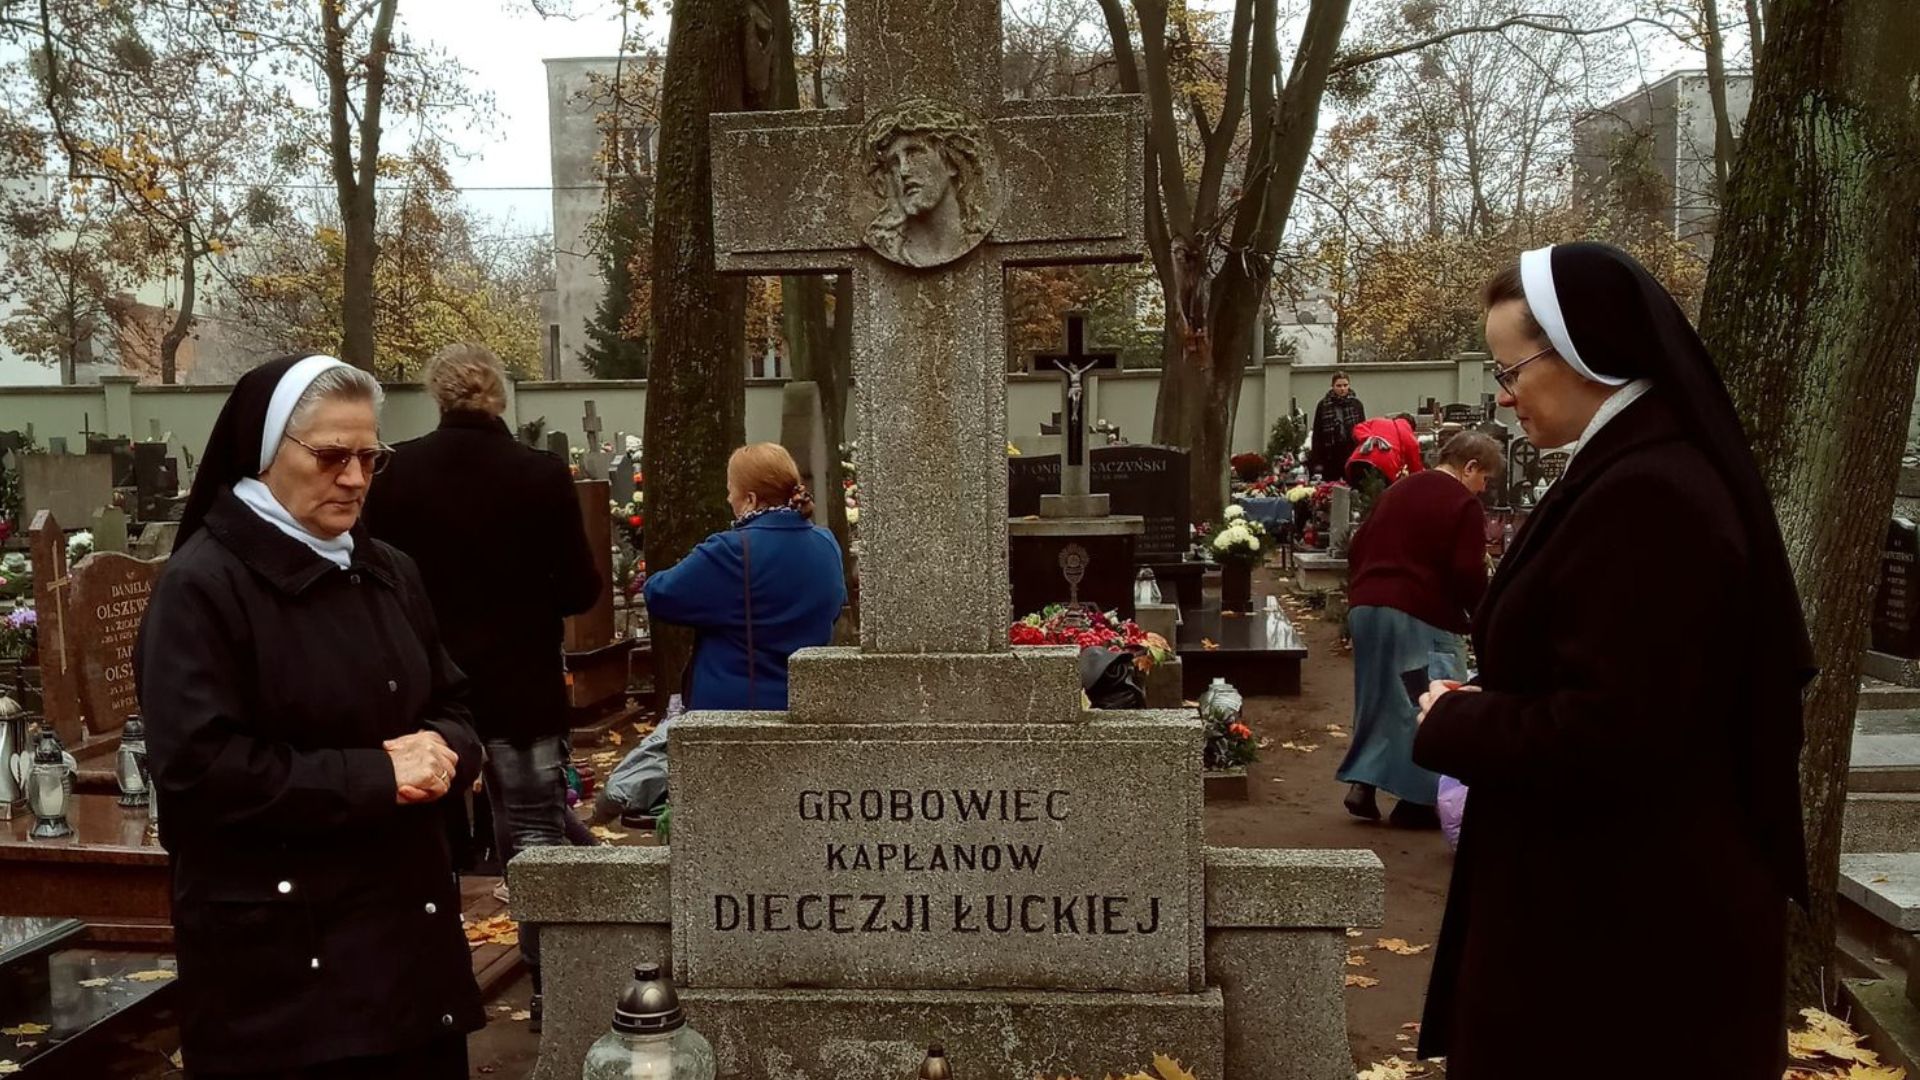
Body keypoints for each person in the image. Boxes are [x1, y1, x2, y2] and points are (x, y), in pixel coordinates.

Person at [1412, 244, 1812, 1077]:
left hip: (1622, 950)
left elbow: (1616, 731)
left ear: (1584, 350)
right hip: (1611, 922)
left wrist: (1458, 720)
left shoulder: (1649, 495)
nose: (1503, 394)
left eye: (1511, 369)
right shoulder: (1631, 469)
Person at [134, 355, 484, 1079]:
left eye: (370, 458)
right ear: (266, 454)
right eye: (330, 456)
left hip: (408, 956)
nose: (354, 479)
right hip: (285, 982)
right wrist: (379, 776)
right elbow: (199, 772)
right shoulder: (202, 587)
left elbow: (452, 702)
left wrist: (448, 749)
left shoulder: (388, 569)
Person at [363, 343, 600, 1031]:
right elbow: (579, 588)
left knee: (427, 845)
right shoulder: (539, 474)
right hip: (521, 685)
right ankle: (550, 989)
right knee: (534, 835)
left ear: (436, 396)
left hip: (428, 692)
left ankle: (429, 988)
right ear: (499, 395)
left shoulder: (398, 475)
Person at [1336, 432, 1501, 828]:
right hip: (1419, 611)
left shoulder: (1397, 490)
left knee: (1376, 696)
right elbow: (1466, 570)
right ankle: (1418, 802)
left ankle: (1363, 784)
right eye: (1485, 478)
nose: (1483, 489)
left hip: (1367, 607)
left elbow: (1357, 546)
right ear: (1470, 467)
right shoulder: (1462, 502)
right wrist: (1484, 613)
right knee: (1427, 699)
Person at [643, 443, 846, 712]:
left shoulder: (733, 551)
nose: (729, 499)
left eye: (730, 491)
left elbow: (660, 594)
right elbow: (833, 609)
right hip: (806, 705)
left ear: (750, 499)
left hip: (739, 711)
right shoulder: (826, 543)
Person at [1344, 413, 1426, 487]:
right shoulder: (1407, 432)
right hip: (1383, 468)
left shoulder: (1376, 421)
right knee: (1379, 497)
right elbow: (1414, 466)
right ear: (1411, 427)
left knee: (1358, 495)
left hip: (1357, 462)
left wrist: (1369, 438)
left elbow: (1358, 428)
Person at [1309, 371, 1365, 479]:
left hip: (1351, 451)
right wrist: (1317, 460)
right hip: (1330, 453)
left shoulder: (1356, 405)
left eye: (1345, 385)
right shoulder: (1323, 405)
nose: (1342, 389)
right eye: (1339, 386)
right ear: (1333, 386)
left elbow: (1362, 429)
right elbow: (1317, 434)